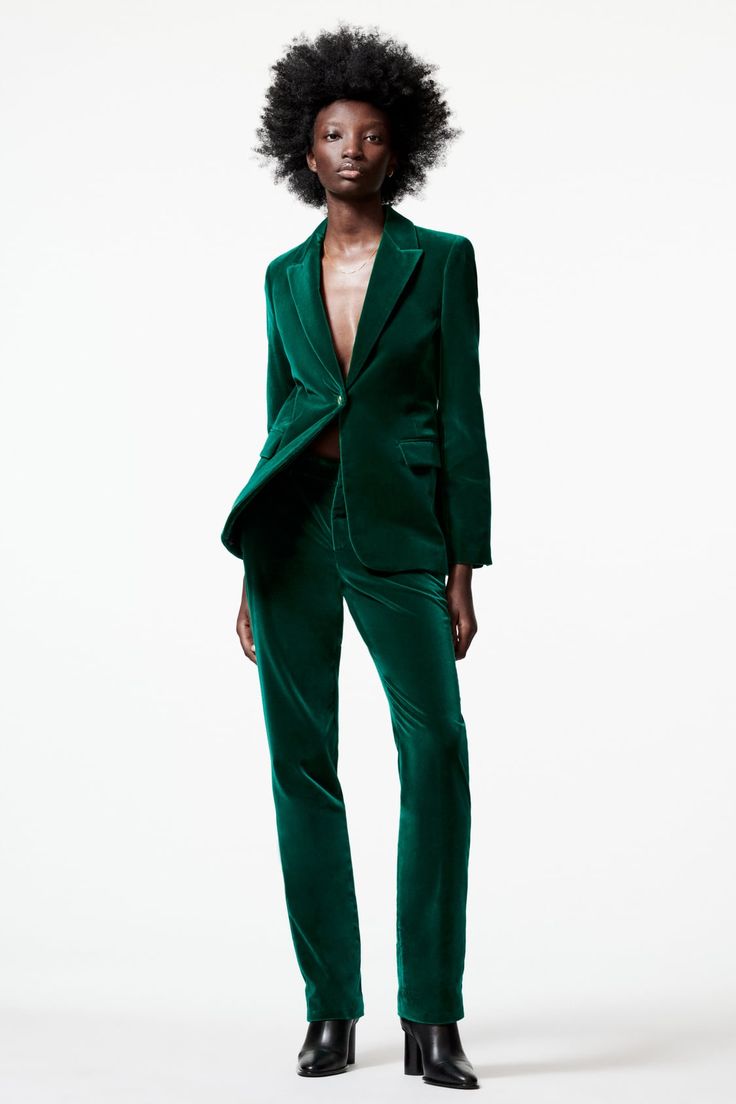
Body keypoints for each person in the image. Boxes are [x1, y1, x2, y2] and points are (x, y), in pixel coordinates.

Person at [220, 23, 491, 1089]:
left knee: (436, 752)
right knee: (301, 764)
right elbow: (279, 415)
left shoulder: (441, 261)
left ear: (398, 150)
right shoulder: (282, 276)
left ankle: (433, 1017)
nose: (351, 150)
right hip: (289, 531)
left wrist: (462, 563)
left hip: (399, 529)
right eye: (334, 134)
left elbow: (461, 416)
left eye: (371, 136)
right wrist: (248, 572)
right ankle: (329, 1007)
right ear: (304, 148)